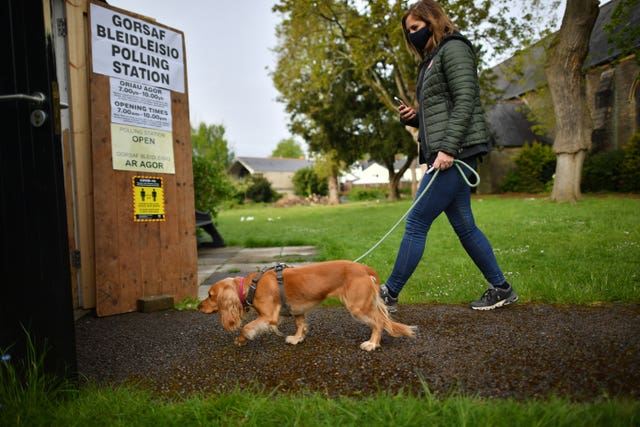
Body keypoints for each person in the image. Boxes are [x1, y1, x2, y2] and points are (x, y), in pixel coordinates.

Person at [379, 0, 518, 312]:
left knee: (416, 221)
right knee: (465, 227)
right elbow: (439, 111)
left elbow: (466, 99)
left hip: (454, 153)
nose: (412, 34)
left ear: (432, 20)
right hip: (446, 151)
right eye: (408, 31)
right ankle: (502, 288)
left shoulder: (454, 48)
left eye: (415, 27)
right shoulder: (431, 59)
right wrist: (414, 117)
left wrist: (448, 149)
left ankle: (388, 295)